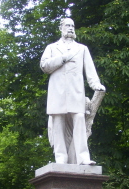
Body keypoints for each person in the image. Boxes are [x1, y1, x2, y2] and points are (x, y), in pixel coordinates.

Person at [40, 18, 105, 165]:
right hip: (57, 92)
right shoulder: (52, 48)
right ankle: (60, 158)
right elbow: (44, 66)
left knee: (80, 120)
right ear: (61, 28)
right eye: (67, 26)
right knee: (58, 123)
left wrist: (96, 84)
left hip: (76, 92)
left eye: (72, 26)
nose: (70, 28)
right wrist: (62, 58)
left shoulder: (82, 48)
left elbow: (90, 70)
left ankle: (83, 158)